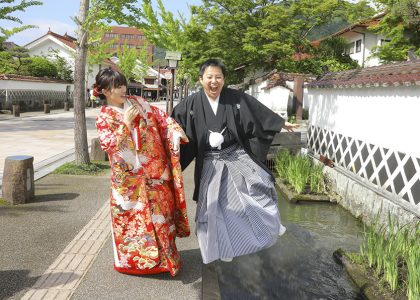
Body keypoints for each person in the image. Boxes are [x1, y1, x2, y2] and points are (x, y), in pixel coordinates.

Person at [171, 58, 298, 264]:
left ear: (224, 79)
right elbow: (173, 125)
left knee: (255, 191)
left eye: (218, 77)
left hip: (234, 158)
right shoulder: (191, 104)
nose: (214, 81)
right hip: (210, 163)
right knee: (212, 207)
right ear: (201, 79)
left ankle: (270, 225)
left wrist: (280, 123)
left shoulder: (236, 98)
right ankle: (219, 247)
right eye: (209, 77)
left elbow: (258, 115)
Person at [95, 67, 190, 276]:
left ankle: (164, 261)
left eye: (122, 85)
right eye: (114, 87)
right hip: (129, 180)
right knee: (132, 221)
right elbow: (109, 146)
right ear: (103, 91)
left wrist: (173, 130)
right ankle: (133, 263)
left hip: (154, 172)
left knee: (161, 215)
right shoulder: (104, 118)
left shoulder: (137, 102)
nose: (121, 90)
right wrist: (126, 124)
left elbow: (159, 116)